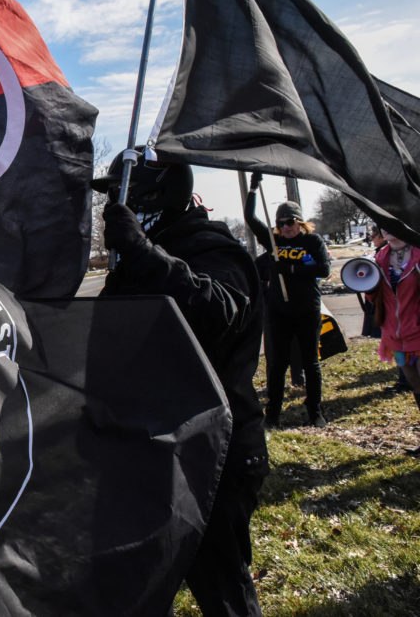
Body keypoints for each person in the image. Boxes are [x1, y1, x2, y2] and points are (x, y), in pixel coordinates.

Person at [95, 149, 269, 616]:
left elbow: (218, 312)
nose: (115, 205)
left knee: (221, 584)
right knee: (144, 584)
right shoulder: (136, 261)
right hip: (152, 445)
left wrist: (143, 253)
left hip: (215, 451)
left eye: (124, 196)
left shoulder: (213, 248)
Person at [244, 172, 331, 428]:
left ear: (300, 221)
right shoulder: (274, 241)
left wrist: (291, 269)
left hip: (306, 310)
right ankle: (272, 415)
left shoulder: (312, 241)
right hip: (278, 312)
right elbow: (250, 218)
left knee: (310, 362)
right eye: (281, 223)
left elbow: (324, 269)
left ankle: (315, 411)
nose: (286, 227)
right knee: (277, 365)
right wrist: (253, 188)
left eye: (290, 222)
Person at [370, 230, 420, 426]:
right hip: (395, 336)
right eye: (383, 226)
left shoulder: (417, 253)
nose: (388, 229)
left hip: (418, 331)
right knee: (414, 383)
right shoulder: (379, 258)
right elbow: (373, 296)